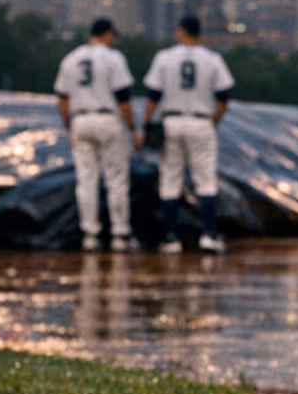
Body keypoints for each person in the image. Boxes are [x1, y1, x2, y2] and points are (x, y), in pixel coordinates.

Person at [142, 14, 235, 253]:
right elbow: (224, 99)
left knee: (169, 179)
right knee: (205, 179)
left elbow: (153, 97)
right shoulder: (212, 59)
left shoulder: (164, 57)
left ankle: (172, 239)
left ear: (180, 31)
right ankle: (208, 235)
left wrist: (146, 124)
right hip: (201, 121)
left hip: (171, 120)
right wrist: (212, 121)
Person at [54, 17, 142, 252]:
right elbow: (123, 98)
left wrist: (69, 126)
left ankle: (90, 235)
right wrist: (134, 128)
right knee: (116, 180)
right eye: (113, 35)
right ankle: (119, 234)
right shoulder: (113, 58)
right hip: (106, 118)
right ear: (107, 34)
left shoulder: (71, 58)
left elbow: (62, 100)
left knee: (86, 180)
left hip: (80, 118)